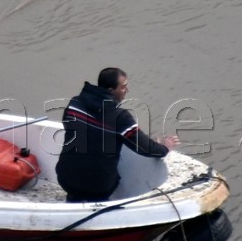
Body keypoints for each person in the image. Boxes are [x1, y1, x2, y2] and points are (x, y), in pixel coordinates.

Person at [56, 67, 179, 202]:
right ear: (110, 91)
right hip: (98, 187)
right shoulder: (120, 117)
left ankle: (73, 199)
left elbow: (70, 126)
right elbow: (144, 147)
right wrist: (165, 147)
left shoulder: (74, 104)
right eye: (123, 87)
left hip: (65, 179)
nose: (127, 90)